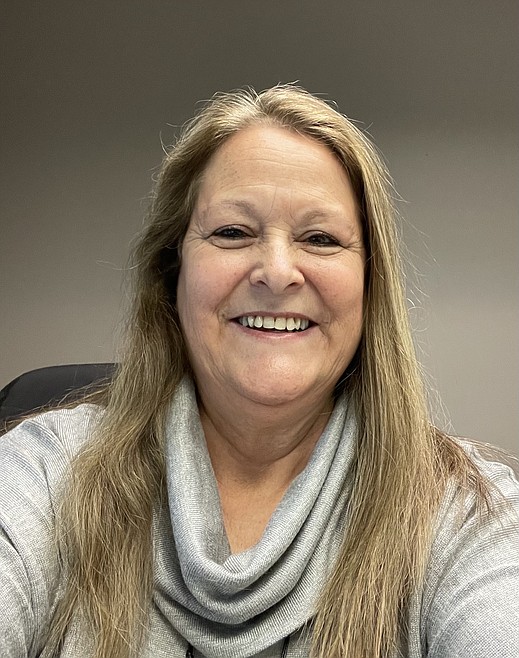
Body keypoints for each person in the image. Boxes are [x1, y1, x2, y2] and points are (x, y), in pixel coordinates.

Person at [1, 85, 518, 658]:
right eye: (232, 233)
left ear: (371, 286)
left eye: (320, 239)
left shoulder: (470, 513)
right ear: (172, 272)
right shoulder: (43, 473)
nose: (276, 272)